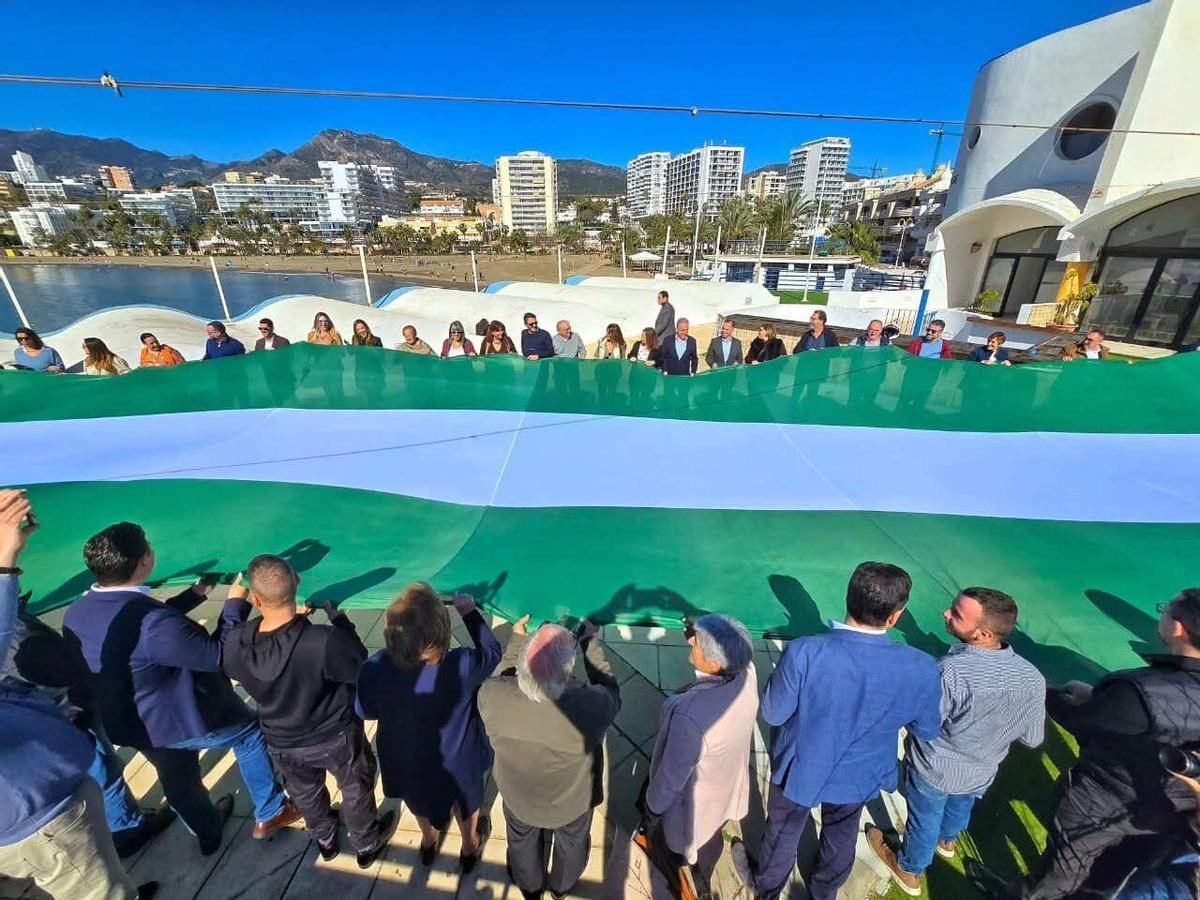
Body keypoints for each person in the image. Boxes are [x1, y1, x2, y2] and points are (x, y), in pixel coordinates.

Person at [62, 523, 299, 855]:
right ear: (145, 560)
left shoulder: (78, 610)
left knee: (176, 774)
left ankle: (206, 830)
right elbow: (217, 655)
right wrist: (234, 606)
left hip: (130, 721)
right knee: (249, 734)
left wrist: (193, 595)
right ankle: (272, 810)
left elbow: (132, 630)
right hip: (176, 719)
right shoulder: (156, 624)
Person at [739, 562, 942, 900]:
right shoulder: (921, 666)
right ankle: (824, 892)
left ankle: (768, 890)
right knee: (842, 833)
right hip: (862, 773)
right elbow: (927, 728)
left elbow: (774, 713)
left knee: (782, 833)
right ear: (896, 616)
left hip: (800, 769)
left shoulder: (806, 651)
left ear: (848, 599)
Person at [989, 588, 1200, 900]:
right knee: (1117, 874)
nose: (1163, 614)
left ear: (1178, 627)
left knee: (1062, 870)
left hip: (1105, 799)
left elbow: (1080, 720)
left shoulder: (1144, 690)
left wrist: (1049, 694)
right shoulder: (1150, 693)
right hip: (1175, 812)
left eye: (1167, 609)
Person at [0, 491, 158, 900]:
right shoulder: (20, 642)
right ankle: (128, 827)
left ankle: (126, 827)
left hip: (47, 769)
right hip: (43, 812)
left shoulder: (63, 618)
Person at [866, 587, 1046, 896]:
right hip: (982, 770)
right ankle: (947, 841)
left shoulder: (950, 671)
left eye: (956, 614)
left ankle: (909, 870)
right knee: (960, 808)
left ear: (983, 633)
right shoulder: (1032, 677)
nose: (945, 614)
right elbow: (1033, 738)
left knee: (923, 819)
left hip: (935, 768)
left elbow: (923, 722)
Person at [221, 555, 394, 868]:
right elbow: (358, 664)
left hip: (282, 741)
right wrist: (340, 621)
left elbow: (231, 648)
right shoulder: (322, 641)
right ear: (297, 582)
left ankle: (325, 840)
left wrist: (235, 608)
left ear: (256, 600)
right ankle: (366, 843)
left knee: (306, 794)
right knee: (355, 788)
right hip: (334, 735)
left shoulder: (238, 643)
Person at [357, 584, 501, 873]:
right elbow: (491, 651)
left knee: (417, 801)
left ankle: (428, 839)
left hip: (405, 760)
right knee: (467, 801)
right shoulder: (461, 664)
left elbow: (366, 710)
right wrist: (469, 613)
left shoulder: (375, 667)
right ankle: (469, 844)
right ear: (442, 634)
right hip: (458, 760)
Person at [479, 617, 621, 900]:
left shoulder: (491, 696)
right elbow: (611, 692)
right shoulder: (590, 706)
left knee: (520, 839)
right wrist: (591, 643)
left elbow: (501, 677)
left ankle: (529, 886)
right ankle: (562, 886)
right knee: (573, 843)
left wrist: (517, 641)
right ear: (567, 673)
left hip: (519, 796)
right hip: (573, 801)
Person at [643, 615, 759, 891]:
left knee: (674, 851)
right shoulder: (747, 674)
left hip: (694, 806)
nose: (692, 643)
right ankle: (703, 881)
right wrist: (703, 630)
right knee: (710, 840)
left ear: (715, 663)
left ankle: (677, 882)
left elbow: (670, 778)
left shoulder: (690, 715)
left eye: (698, 643)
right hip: (725, 789)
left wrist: (651, 811)